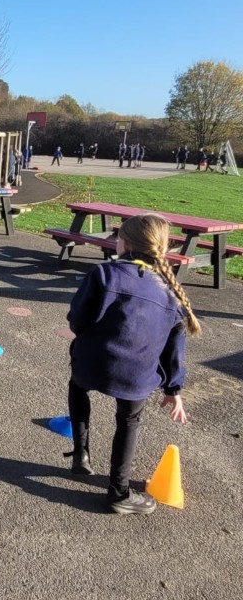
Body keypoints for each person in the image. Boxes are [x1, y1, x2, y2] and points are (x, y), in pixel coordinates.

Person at [64, 214, 201, 515]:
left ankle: (81, 452)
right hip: (136, 376)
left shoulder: (104, 274)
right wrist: (173, 389)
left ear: (124, 244)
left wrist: (87, 335)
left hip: (91, 364)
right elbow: (173, 350)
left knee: (77, 386)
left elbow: (77, 320)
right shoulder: (171, 294)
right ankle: (119, 491)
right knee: (128, 420)